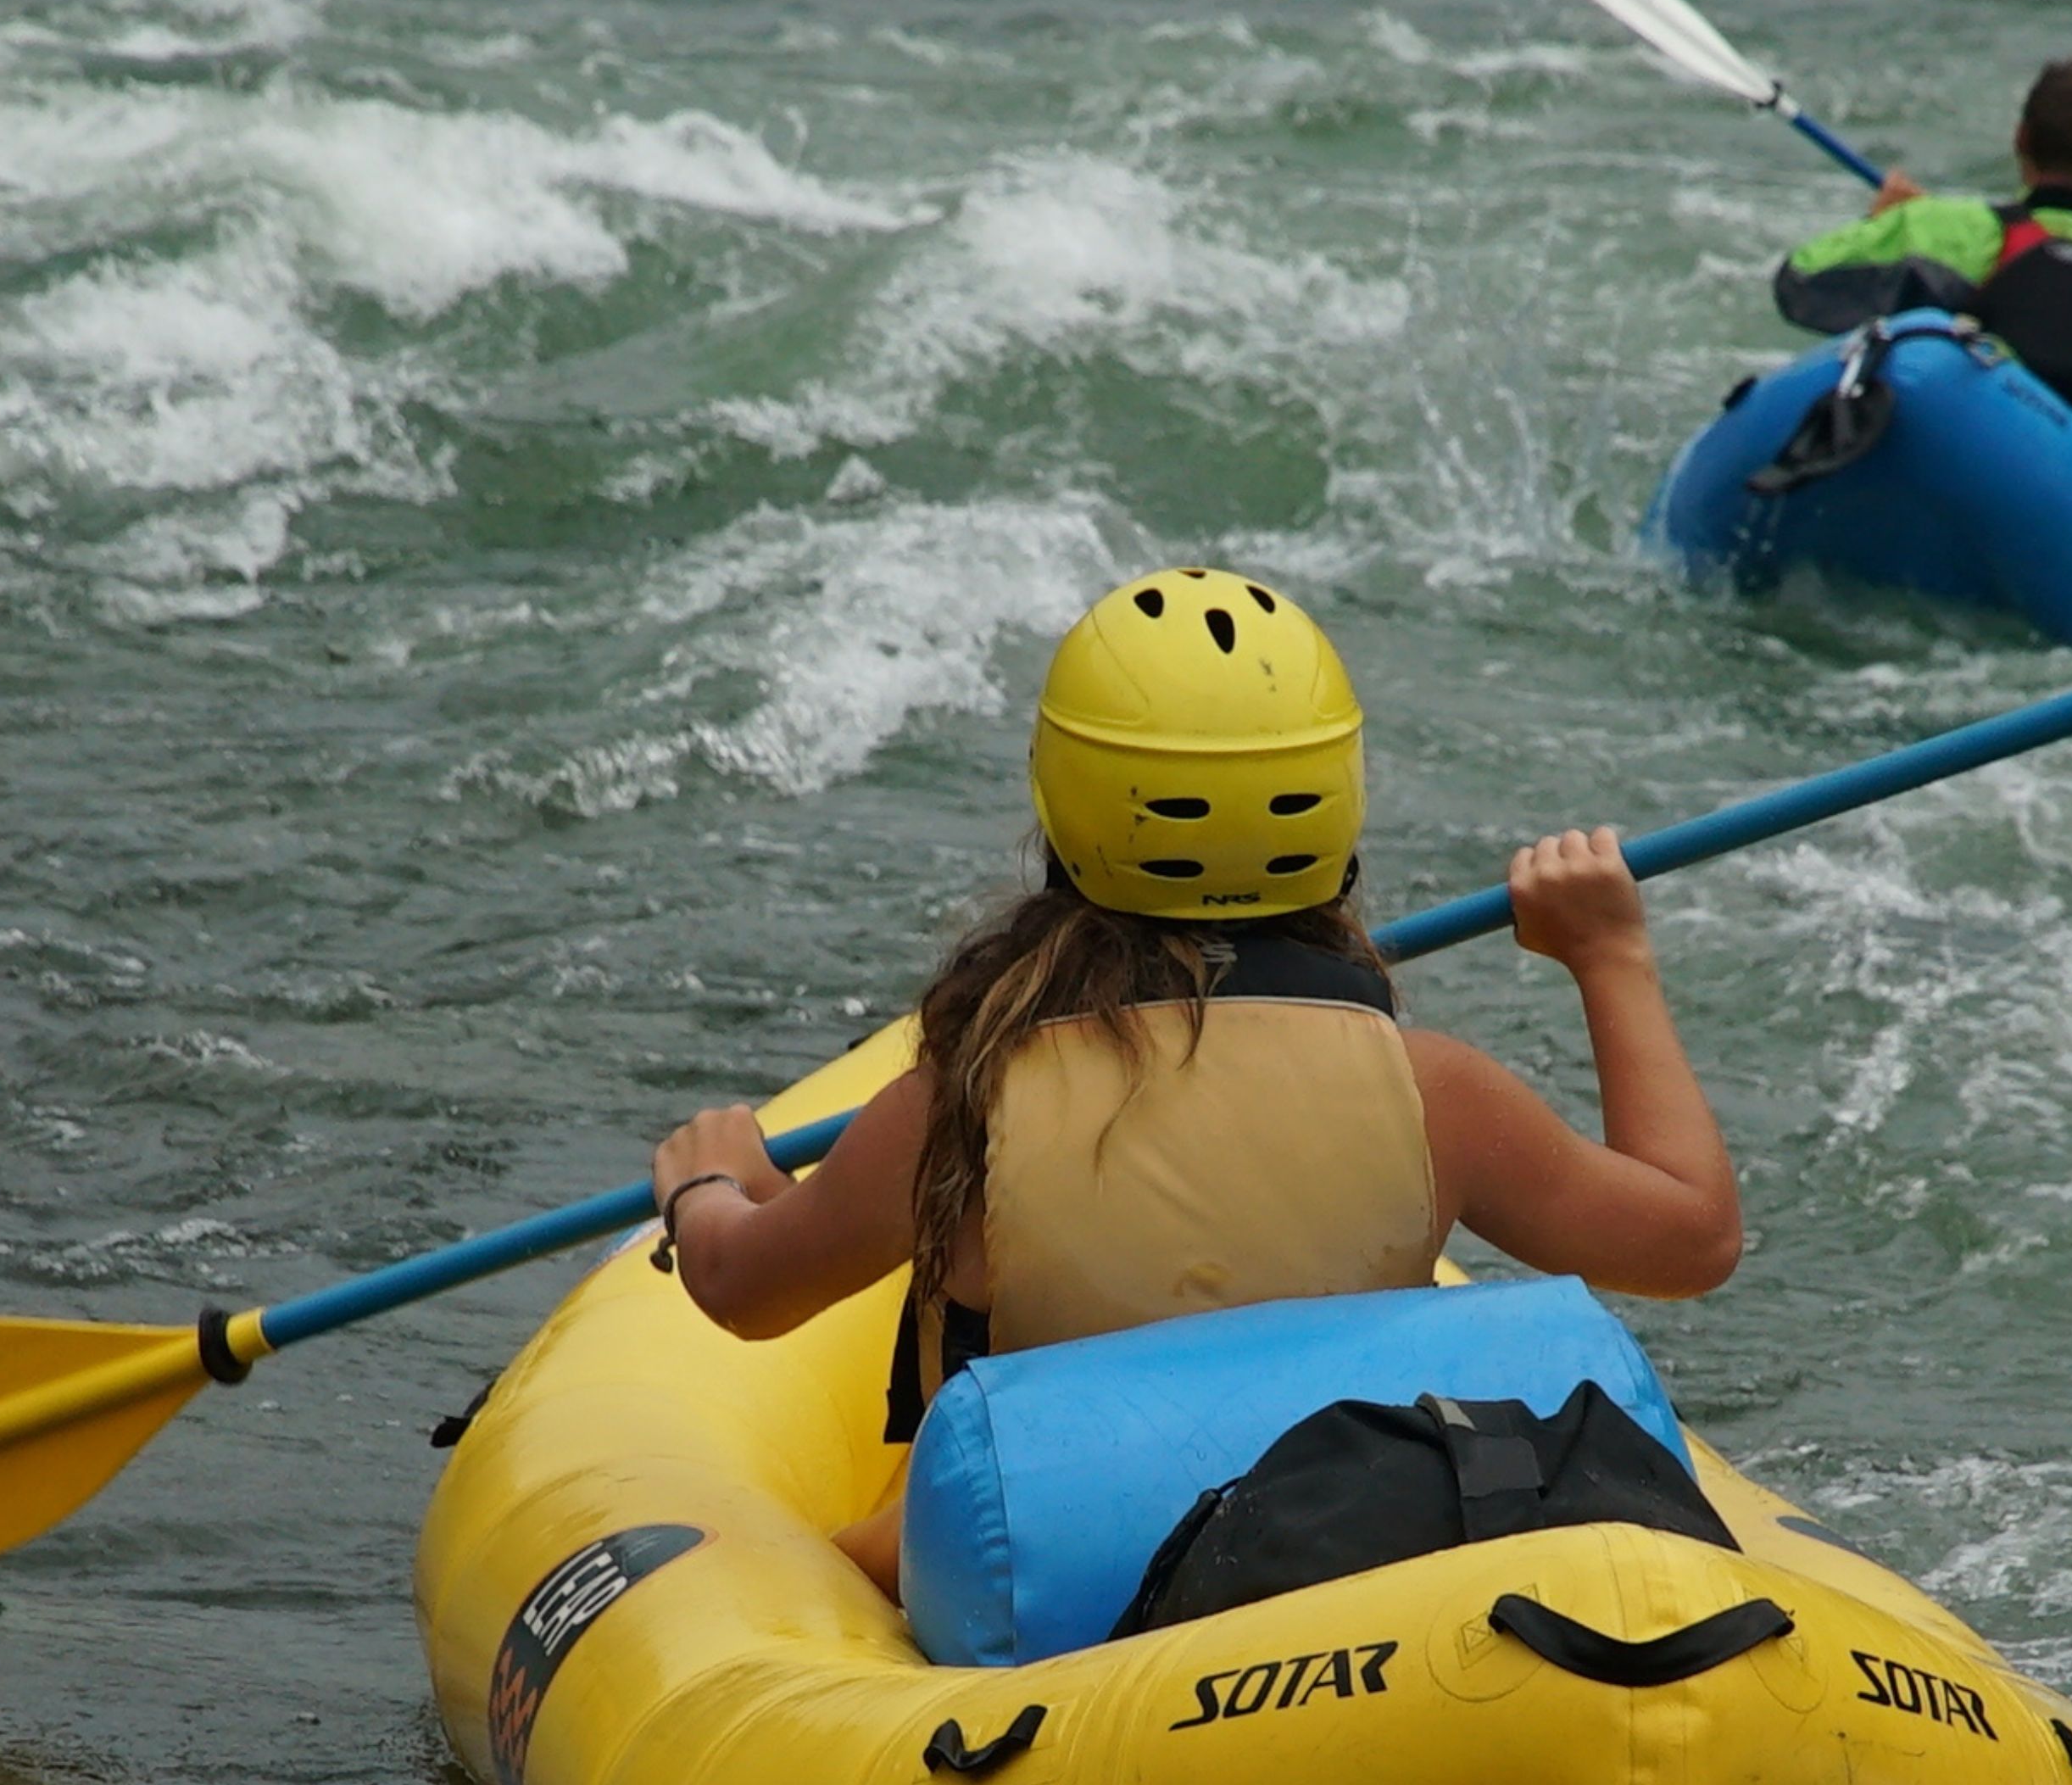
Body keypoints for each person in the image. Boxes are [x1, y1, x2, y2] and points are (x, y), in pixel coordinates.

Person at [651, 567, 1743, 1598]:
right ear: (1337, 800)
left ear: (1066, 799)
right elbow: (1691, 1241)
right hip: (1355, 1539)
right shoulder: (1433, 1094)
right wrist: (1610, 958)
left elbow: (746, 1292)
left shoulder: (968, 1099)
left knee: (842, 1559)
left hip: (1056, 1572)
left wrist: (712, 1188)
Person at [1770, 59, 2072, 441]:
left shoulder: (1945, 227)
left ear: (2020, 138)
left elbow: (1801, 283)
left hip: (1957, 432)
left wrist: (1883, 222)